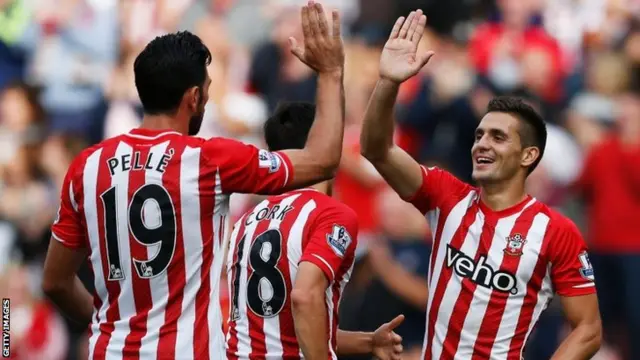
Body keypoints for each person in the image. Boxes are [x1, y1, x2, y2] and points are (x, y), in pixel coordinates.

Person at [40, 1, 347, 358]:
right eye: (208, 87)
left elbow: (55, 282)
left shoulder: (86, 167)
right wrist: (331, 73)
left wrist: (104, 324)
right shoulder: (209, 160)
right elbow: (322, 161)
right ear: (194, 97)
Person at [359, 9, 602, 360]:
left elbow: (588, 329)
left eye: (498, 137)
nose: (482, 144)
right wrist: (388, 82)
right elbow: (376, 148)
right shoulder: (446, 196)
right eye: (479, 134)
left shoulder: (556, 232)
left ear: (528, 156)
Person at [225, 102, 403, 360]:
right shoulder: (331, 214)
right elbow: (305, 297)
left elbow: (283, 329)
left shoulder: (246, 220)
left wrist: (368, 342)